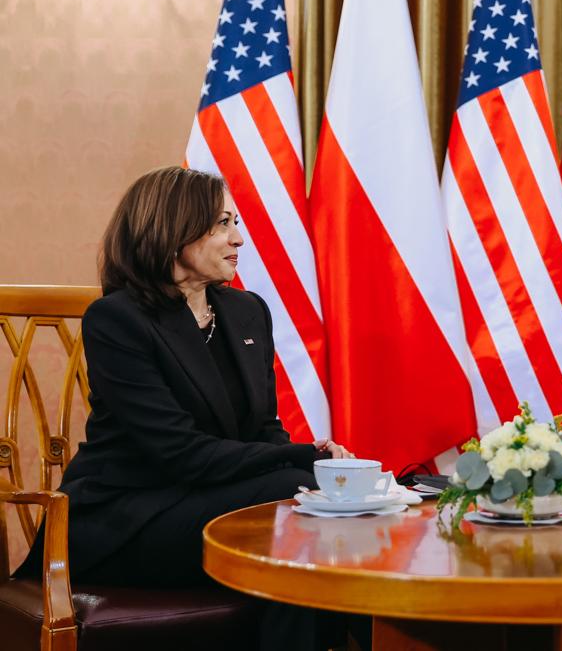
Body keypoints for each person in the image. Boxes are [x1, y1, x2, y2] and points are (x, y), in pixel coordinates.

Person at [16, 166, 362, 650]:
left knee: (321, 513)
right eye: (221, 223)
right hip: (127, 518)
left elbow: (263, 430)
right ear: (173, 228)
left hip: (214, 506)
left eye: (235, 222)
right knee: (294, 498)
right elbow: (178, 453)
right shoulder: (117, 320)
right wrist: (300, 458)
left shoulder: (246, 311)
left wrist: (308, 463)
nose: (238, 237)